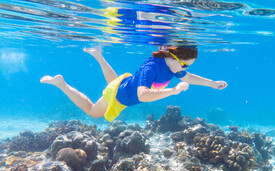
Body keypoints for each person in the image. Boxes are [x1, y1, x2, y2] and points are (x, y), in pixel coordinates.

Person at [40, 46, 227, 122]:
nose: (184, 69)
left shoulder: (173, 67)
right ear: (173, 56)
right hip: (120, 95)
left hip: (124, 83)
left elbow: (188, 77)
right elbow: (142, 95)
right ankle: (61, 84)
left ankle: (98, 55)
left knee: (114, 82)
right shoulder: (151, 67)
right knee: (93, 112)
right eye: (185, 64)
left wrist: (213, 84)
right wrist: (173, 91)